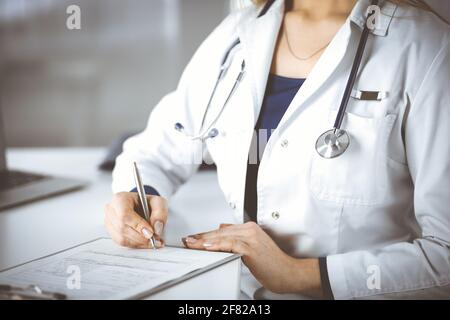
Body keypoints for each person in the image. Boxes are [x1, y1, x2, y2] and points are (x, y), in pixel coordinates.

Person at [104, 0, 450, 299]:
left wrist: (299, 274)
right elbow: (155, 150)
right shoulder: (237, 33)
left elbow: (444, 255)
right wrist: (138, 195)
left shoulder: (426, 47)